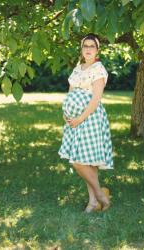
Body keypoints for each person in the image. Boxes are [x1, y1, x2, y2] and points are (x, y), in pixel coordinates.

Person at [58, 33, 114, 213]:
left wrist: (80, 118)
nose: (88, 49)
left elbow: (96, 98)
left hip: (90, 117)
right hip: (74, 119)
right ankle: (93, 201)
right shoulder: (77, 69)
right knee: (86, 161)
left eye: (92, 46)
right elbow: (71, 94)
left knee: (80, 161)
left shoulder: (98, 69)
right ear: (81, 49)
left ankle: (99, 195)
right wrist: (66, 115)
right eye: (85, 46)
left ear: (97, 50)